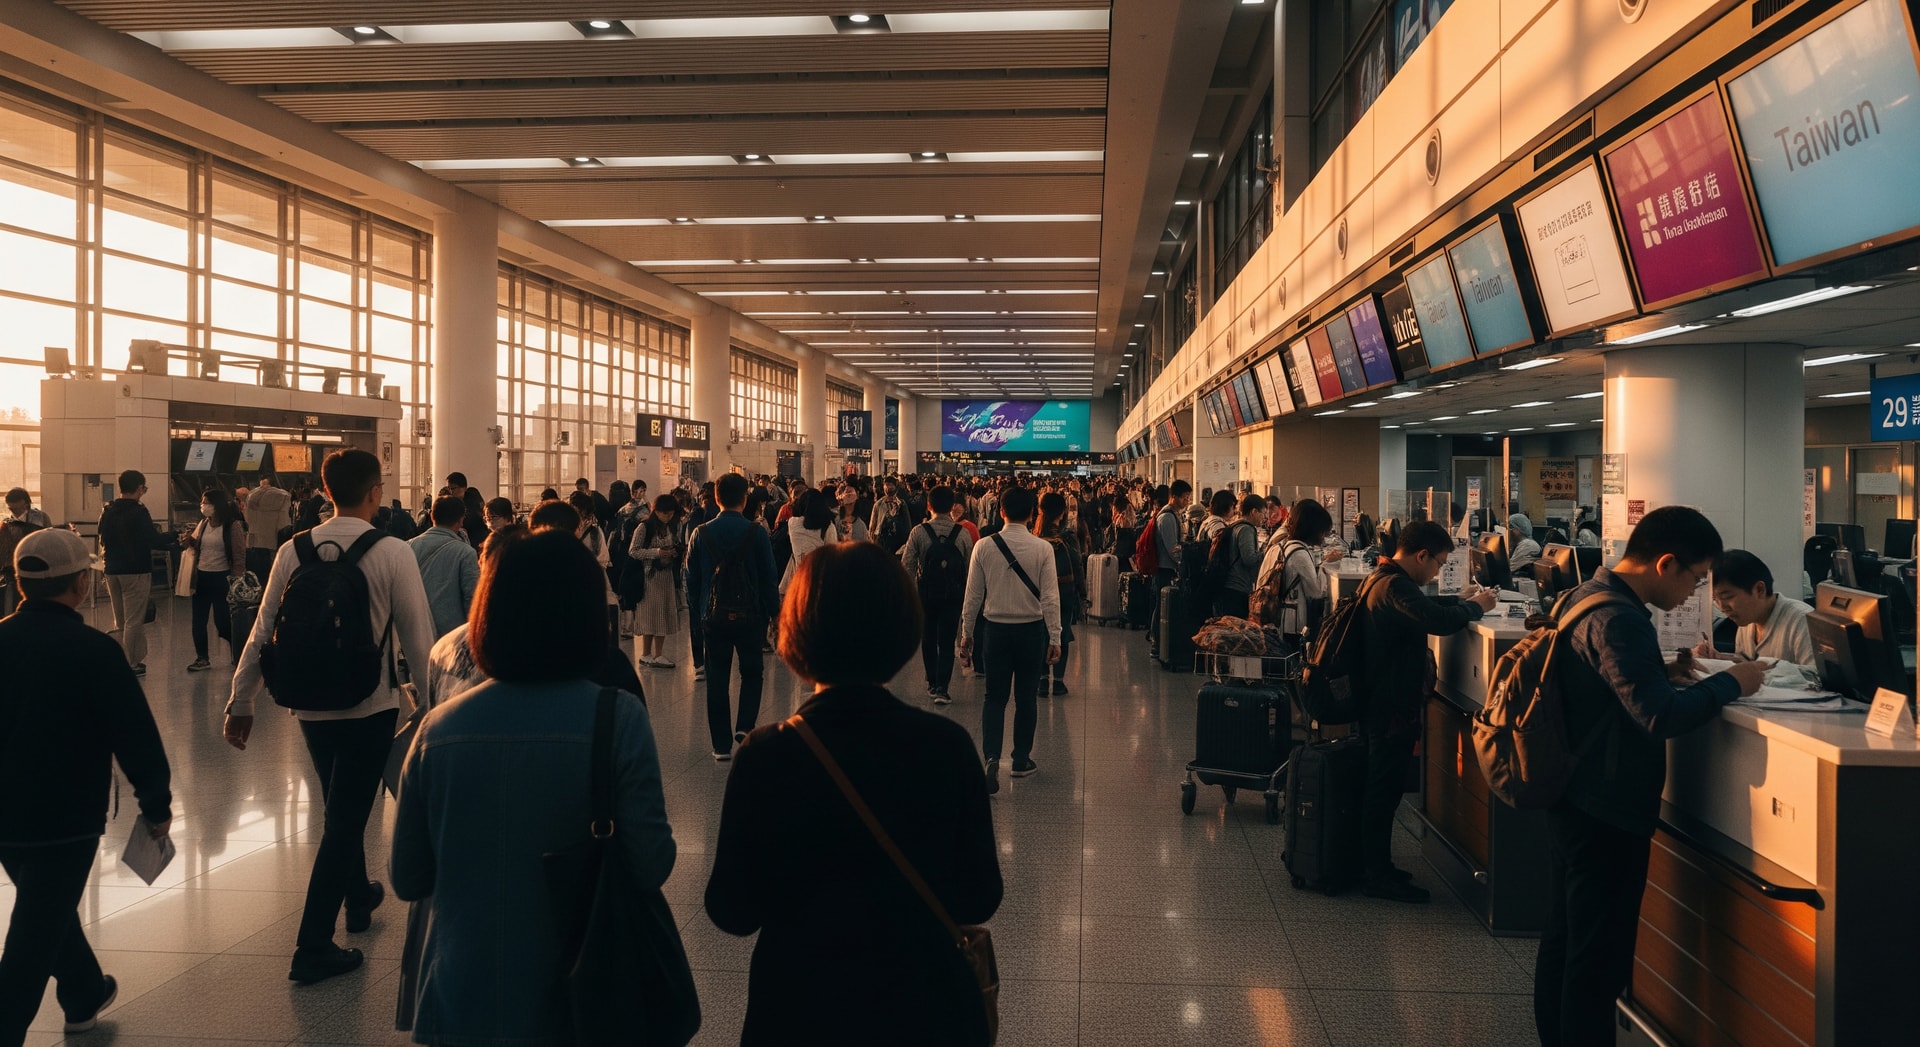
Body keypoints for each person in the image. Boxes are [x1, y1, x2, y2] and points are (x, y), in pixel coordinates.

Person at [705, 540, 1002, 1047]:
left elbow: (731, 910)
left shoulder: (766, 755)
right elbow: (979, 893)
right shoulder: (945, 747)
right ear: (903, 629)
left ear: (797, 628)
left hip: (800, 1004)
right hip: (921, 1005)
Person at [391, 531, 674, 1044]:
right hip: (582, 998)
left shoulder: (437, 732)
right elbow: (651, 863)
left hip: (463, 996)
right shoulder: (617, 720)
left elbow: (410, 877)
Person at [1534, 507, 1765, 1047]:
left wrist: (1660, 673)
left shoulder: (1587, 595)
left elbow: (1603, 684)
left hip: (1572, 794)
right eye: (1696, 578)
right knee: (1597, 961)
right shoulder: (1622, 618)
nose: (1695, 594)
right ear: (1666, 564)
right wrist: (1733, 682)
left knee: (1566, 940)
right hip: (1606, 809)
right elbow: (1658, 716)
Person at [223, 449, 437, 985]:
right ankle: (314, 944)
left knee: (339, 804)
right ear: (374, 492)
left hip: (309, 703)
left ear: (325, 488)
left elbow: (264, 627)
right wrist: (434, 708)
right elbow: (418, 635)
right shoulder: (392, 551)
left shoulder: (294, 550)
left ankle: (360, 899)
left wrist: (241, 699)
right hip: (370, 703)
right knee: (345, 817)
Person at [0, 528, 173, 1045]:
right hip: (66, 816)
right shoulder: (95, 650)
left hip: (4, 815)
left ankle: (83, 991)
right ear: (79, 585)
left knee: (42, 907)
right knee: (34, 932)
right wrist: (155, 803)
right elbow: (134, 734)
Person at [1356, 520, 1498, 902]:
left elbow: (1425, 608)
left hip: (1383, 701)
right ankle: (1376, 873)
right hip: (1390, 706)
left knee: (1383, 789)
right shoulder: (1395, 586)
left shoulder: (1385, 579)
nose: (1437, 571)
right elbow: (1435, 620)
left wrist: (1460, 600)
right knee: (1383, 791)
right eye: (1437, 563)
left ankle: (1379, 867)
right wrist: (1474, 606)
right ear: (1421, 555)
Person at [957, 486, 1061, 793]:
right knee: (1026, 697)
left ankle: (991, 757)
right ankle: (1020, 761)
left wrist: (966, 634)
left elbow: (973, 596)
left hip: (995, 631)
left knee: (994, 697)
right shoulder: (1043, 549)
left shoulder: (984, 546)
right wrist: (1054, 635)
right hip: (1031, 632)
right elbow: (1051, 597)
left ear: (1001, 512)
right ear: (1032, 513)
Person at [687, 473, 780, 761]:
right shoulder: (757, 532)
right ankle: (745, 728)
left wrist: (700, 611)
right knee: (752, 672)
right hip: (751, 616)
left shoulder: (700, 533)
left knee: (716, 677)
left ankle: (721, 746)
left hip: (713, 617)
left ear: (716, 498)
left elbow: (690, 580)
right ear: (745, 498)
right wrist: (774, 614)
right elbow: (768, 577)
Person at [96, 470, 178, 677]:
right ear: (140, 488)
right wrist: (176, 537)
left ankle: (120, 657)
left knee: (120, 619)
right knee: (134, 619)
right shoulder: (139, 511)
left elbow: (102, 538)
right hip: (135, 570)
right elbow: (152, 539)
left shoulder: (108, 509)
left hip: (111, 570)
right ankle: (131, 662)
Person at [902, 486, 974, 704]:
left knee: (928, 637)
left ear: (929, 505)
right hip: (953, 596)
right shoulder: (963, 534)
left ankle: (932, 683)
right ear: (953, 507)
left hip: (926, 594)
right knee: (946, 639)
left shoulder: (918, 532)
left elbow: (907, 565)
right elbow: (970, 568)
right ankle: (943, 687)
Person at [1688, 550, 1815, 668]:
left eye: (1727, 597)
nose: (1722, 607)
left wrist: (1760, 668)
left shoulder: (1802, 620)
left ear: (1759, 590)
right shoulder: (1747, 621)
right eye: (1715, 599)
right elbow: (1748, 663)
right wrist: (1719, 658)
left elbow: (1815, 677)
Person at [181, 487, 246, 673]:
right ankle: (202, 658)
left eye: (207, 502)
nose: (204, 506)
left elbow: (239, 555)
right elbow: (197, 545)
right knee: (198, 620)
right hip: (201, 577)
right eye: (203, 502)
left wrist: (236, 580)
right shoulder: (203, 524)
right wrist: (188, 541)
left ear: (217, 505)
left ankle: (238, 650)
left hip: (221, 578)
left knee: (222, 621)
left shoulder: (232, 526)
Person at [408, 496, 481, 641]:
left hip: (415, 632)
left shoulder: (408, 546)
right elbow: (471, 598)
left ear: (431, 516)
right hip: (452, 637)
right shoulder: (465, 553)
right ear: (461, 520)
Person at [629, 494, 684, 669]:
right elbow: (634, 551)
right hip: (649, 576)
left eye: (671, 514)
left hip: (666, 575)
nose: (668, 517)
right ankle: (647, 654)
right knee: (651, 615)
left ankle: (658, 653)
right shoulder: (644, 527)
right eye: (665, 513)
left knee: (663, 614)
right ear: (657, 511)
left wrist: (674, 552)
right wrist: (657, 553)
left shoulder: (670, 527)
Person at [1036, 491, 1083, 696]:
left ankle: (1042, 681)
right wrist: (1082, 592)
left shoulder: (1034, 537)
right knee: (1062, 632)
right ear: (1063, 513)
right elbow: (1077, 566)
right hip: (1064, 592)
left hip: (1038, 592)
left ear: (1039, 510)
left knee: (1042, 632)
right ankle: (1059, 682)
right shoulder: (1067, 538)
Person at [1146, 481, 1191, 651]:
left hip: (1166, 567)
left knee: (1161, 605)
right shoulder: (1167, 517)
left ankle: (1158, 641)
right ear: (1174, 497)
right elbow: (1172, 548)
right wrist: (1181, 562)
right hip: (1164, 568)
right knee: (1161, 606)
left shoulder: (1173, 515)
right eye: (1184, 498)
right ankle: (1156, 642)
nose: (1186, 501)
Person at [1211, 493, 1265, 619]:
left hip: (1228, 586)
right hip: (1237, 587)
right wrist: (1266, 553)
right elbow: (1249, 559)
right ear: (1254, 511)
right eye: (1263, 513)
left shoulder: (1235, 525)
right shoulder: (1246, 529)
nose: (1264, 517)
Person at [243, 475, 291, 577]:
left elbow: (247, 519)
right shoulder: (283, 497)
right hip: (273, 542)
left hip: (255, 542)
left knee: (256, 575)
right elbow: (284, 523)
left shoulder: (251, 497)